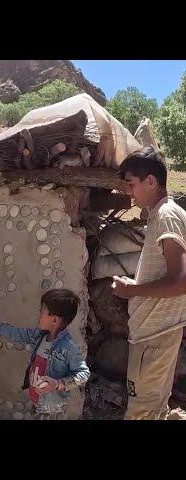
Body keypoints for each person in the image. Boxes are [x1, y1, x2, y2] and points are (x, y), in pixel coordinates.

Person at [112, 146, 186, 420]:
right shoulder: (161, 214)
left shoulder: (166, 215)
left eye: (132, 185)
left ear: (151, 182)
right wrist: (136, 285)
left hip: (155, 335)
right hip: (153, 333)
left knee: (141, 412)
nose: (129, 193)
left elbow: (180, 282)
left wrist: (132, 290)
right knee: (154, 410)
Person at [0, 289, 90, 420]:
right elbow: (16, 333)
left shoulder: (67, 347)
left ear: (54, 320)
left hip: (53, 410)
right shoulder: (38, 336)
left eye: (42, 312)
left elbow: (83, 374)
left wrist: (58, 384)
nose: (38, 315)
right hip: (38, 404)